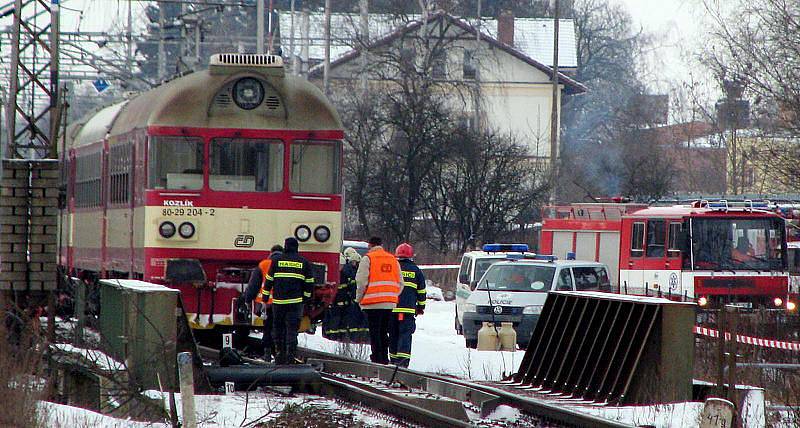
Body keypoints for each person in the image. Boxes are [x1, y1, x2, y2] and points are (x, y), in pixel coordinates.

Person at [263, 237, 314, 364]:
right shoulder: (304, 262)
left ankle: (279, 353)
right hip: (295, 303)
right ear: (296, 247)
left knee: (278, 328)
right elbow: (309, 283)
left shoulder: (276, 261)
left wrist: (265, 297)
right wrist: (306, 298)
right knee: (292, 329)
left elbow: (269, 281)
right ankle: (290, 355)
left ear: (285, 247)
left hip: (279, 302)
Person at [355, 236, 404, 364]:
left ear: (370, 245)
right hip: (389, 303)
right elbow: (400, 283)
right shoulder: (393, 259)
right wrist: (392, 296)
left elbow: (361, 282)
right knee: (383, 331)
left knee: (374, 331)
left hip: (372, 303)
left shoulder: (368, 259)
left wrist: (359, 299)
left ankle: (377, 357)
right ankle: (384, 358)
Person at [242, 244, 283, 360]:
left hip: (266, 304)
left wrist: (247, 300)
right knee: (280, 328)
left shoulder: (263, 264)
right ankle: (280, 353)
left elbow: (253, 285)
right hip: (282, 303)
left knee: (268, 328)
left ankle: (267, 353)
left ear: (271, 253)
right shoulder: (284, 265)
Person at [389, 243, 426, 367]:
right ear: (411, 256)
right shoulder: (416, 270)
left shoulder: (392, 267)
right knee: (405, 334)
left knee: (393, 334)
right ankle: (403, 362)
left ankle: (393, 359)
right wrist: (421, 307)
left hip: (392, 308)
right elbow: (421, 291)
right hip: (408, 310)